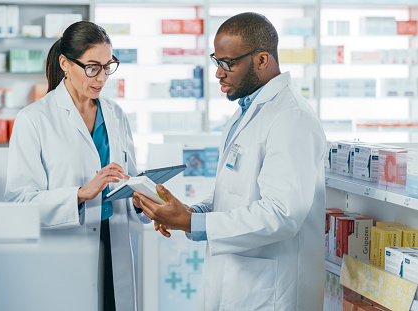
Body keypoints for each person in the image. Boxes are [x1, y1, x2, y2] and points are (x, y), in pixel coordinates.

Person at [134, 12, 326, 310]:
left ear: (262, 60)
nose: (218, 74)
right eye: (217, 61)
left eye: (228, 63)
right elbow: (232, 194)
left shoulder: (291, 118)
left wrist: (192, 222)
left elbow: (282, 215)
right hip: (239, 281)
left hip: (272, 292)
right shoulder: (246, 112)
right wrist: (189, 212)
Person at [4, 21, 150, 311]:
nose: (102, 78)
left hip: (115, 245)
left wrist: (142, 198)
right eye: (92, 67)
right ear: (65, 63)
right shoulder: (34, 119)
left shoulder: (116, 114)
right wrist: (81, 194)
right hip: (66, 250)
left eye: (108, 66)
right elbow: (19, 202)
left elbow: (128, 177)